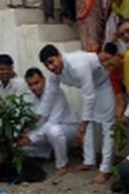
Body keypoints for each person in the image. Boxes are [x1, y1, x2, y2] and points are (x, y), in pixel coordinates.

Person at [39, 44, 115, 184]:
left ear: (59, 57)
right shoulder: (55, 75)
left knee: (107, 128)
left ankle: (105, 169)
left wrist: (83, 126)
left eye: (51, 62)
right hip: (89, 91)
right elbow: (49, 96)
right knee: (88, 124)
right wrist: (37, 117)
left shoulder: (77, 64)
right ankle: (89, 161)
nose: (50, 67)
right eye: (46, 65)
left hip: (103, 86)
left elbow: (89, 95)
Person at [18, 68, 78, 176]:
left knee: (53, 131)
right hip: (42, 132)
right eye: (30, 85)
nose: (34, 87)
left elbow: (52, 122)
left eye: (37, 83)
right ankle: (48, 153)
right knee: (20, 147)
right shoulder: (27, 97)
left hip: (65, 128)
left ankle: (62, 165)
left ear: (44, 80)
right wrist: (24, 134)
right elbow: (28, 121)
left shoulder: (56, 93)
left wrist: (30, 138)